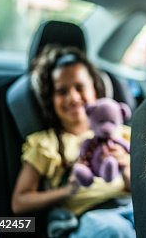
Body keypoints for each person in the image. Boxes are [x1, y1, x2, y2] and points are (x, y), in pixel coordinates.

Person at [11, 45, 136, 237]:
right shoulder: (46, 144)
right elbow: (19, 202)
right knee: (116, 230)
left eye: (80, 87)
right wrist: (67, 191)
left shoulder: (123, 135)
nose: (73, 97)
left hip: (129, 208)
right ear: (50, 99)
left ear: (95, 89)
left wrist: (126, 167)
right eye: (61, 91)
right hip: (88, 218)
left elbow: (142, 191)